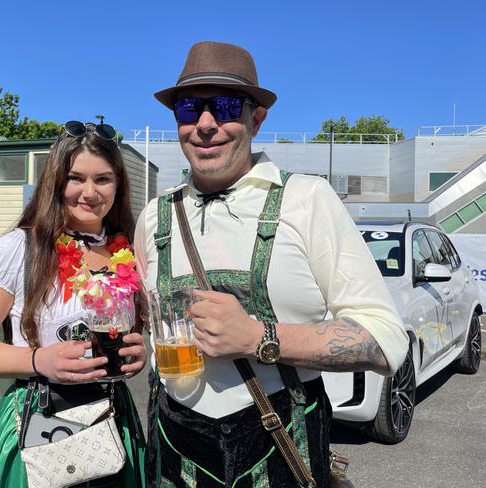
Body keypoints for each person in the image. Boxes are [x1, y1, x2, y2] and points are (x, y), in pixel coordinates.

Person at [134, 41, 409, 487]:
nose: (205, 124)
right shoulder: (155, 216)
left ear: (255, 118)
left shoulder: (306, 199)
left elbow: (384, 339)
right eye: (189, 108)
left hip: (280, 443)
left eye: (223, 106)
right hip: (173, 446)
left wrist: (259, 337)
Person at [0, 121, 147, 488]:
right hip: (41, 420)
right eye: (76, 178)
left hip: (112, 419)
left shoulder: (128, 251)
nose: (90, 192)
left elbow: (130, 332)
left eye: (103, 179)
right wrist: (38, 360)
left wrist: (139, 354)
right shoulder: (20, 248)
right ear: (56, 181)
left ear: (118, 185)